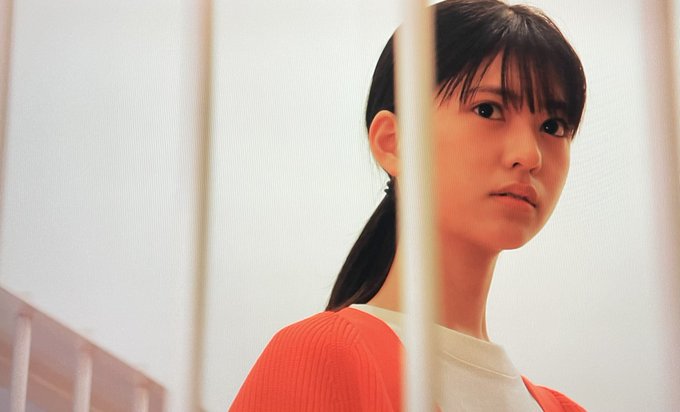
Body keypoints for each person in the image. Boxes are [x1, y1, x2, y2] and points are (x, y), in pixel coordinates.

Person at [230, 0, 587, 410]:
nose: (529, 155)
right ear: (393, 142)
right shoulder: (321, 356)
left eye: (552, 126)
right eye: (488, 110)